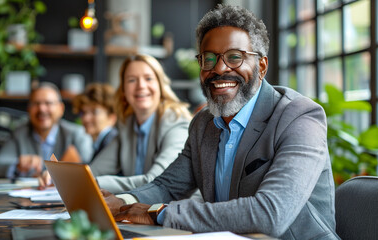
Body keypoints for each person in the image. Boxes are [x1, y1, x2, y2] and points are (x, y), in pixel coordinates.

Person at [102, 5, 339, 239]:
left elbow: (269, 215)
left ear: (262, 66)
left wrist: (160, 213)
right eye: (208, 59)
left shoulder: (300, 117)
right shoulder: (203, 123)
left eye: (235, 57)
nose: (219, 69)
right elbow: (168, 186)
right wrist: (121, 202)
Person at [88, 54, 192, 194]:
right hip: (138, 210)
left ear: (160, 85)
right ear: (123, 90)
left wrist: (95, 183)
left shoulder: (176, 123)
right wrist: (63, 178)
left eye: (148, 78)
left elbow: (157, 181)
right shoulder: (128, 125)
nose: (141, 86)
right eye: (132, 80)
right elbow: (94, 171)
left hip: (172, 211)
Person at [0, 82, 93, 178]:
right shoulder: (20, 133)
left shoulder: (76, 134)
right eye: (36, 104)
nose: (41, 109)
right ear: (28, 109)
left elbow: (90, 167)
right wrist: (18, 165)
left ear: (61, 109)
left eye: (48, 103)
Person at [72, 83, 118, 161]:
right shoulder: (98, 144)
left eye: (94, 112)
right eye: (83, 112)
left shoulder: (111, 143)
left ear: (112, 117)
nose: (86, 118)